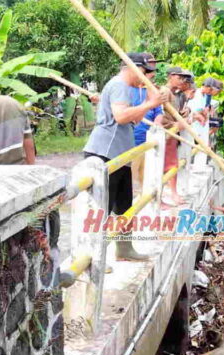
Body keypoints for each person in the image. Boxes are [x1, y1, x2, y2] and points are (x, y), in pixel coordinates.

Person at [82, 52, 169, 261]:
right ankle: (95, 258)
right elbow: (121, 117)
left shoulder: (128, 89)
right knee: (102, 207)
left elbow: (135, 121)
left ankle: (124, 248)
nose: (148, 76)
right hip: (105, 153)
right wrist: (150, 104)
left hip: (120, 153)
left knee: (124, 205)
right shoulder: (119, 85)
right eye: (146, 72)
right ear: (135, 68)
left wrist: (151, 100)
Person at [159, 67, 195, 206]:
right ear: (171, 76)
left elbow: (175, 113)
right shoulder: (165, 92)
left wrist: (184, 113)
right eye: (179, 78)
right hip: (167, 133)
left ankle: (173, 194)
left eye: (183, 79)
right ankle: (168, 196)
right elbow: (160, 115)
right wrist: (175, 124)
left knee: (171, 165)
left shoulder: (174, 94)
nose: (182, 81)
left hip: (172, 134)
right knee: (165, 166)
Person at [131, 53, 164, 189]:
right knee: (130, 177)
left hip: (148, 139)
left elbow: (159, 112)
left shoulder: (152, 90)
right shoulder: (126, 88)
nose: (152, 72)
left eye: (153, 68)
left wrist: (157, 124)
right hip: (130, 141)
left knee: (145, 176)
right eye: (148, 68)